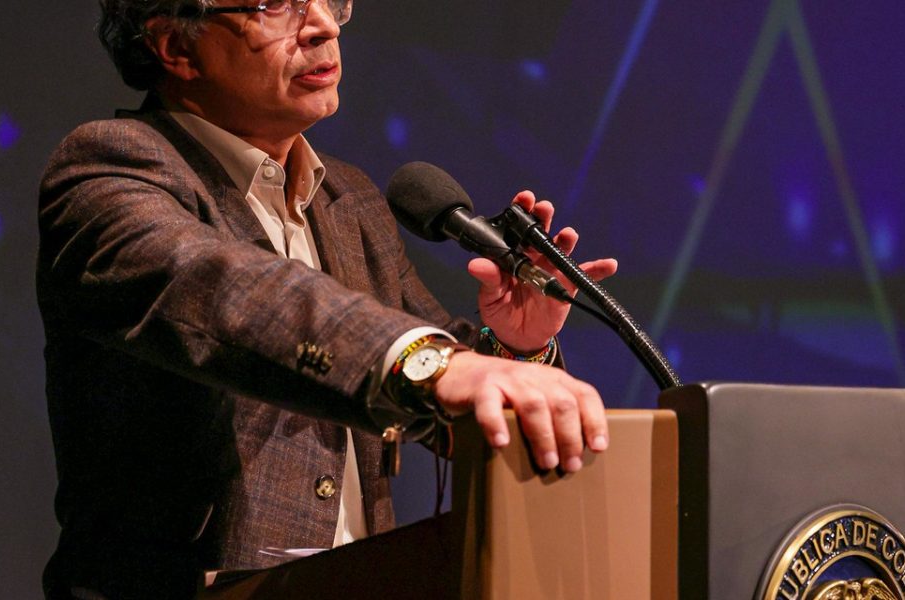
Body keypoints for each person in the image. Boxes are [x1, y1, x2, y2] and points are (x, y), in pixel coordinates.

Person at [35, 0, 615, 596]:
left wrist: (515, 347)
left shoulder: (348, 198)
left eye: (327, 0)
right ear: (176, 47)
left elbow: (437, 398)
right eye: (274, 5)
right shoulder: (109, 170)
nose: (323, 25)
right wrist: (434, 365)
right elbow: (225, 290)